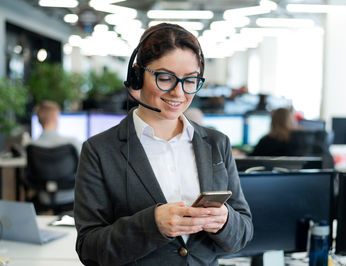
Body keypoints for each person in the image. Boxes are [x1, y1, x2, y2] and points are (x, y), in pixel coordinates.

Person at [74, 23, 253, 266]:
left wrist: (225, 220)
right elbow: (89, 249)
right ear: (137, 76)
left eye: (190, 80)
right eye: (166, 78)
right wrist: (152, 225)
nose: (179, 92)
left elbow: (243, 232)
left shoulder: (216, 143)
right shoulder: (100, 151)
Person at [29, 100, 81, 207]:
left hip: (43, 197)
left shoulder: (30, 146)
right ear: (55, 118)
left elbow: (29, 176)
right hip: (70, 196)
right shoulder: (71, 143)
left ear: (39, 120)